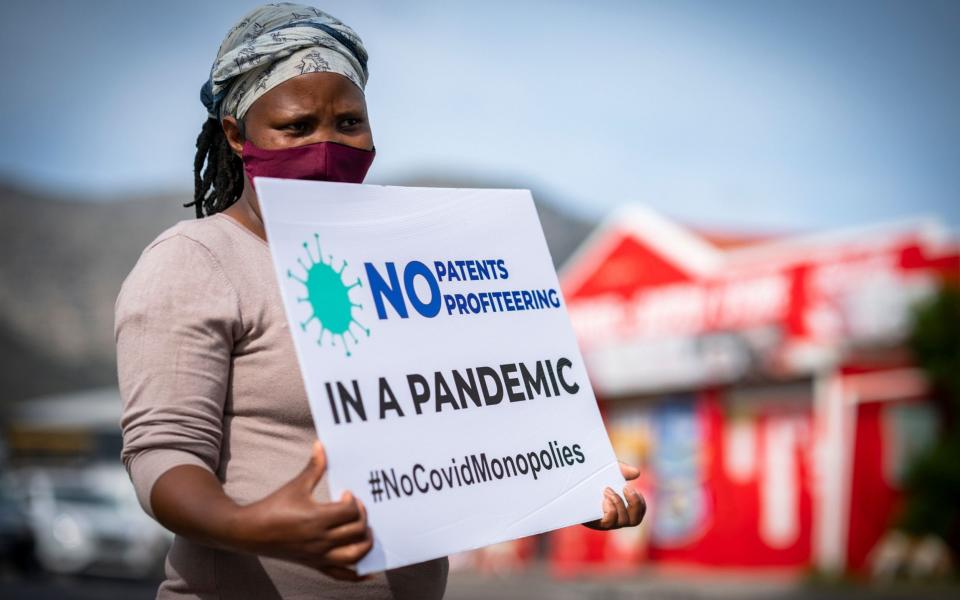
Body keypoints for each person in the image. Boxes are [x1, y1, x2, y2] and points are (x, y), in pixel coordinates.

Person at [115, 3, 646, 599]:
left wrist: (563, 487)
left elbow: (466, 421)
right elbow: (164, 454)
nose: (324, 145)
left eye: (348, 123)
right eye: (295, 127)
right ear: (238, 135)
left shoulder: (406, 259)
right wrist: (247, 524)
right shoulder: (197, 260)